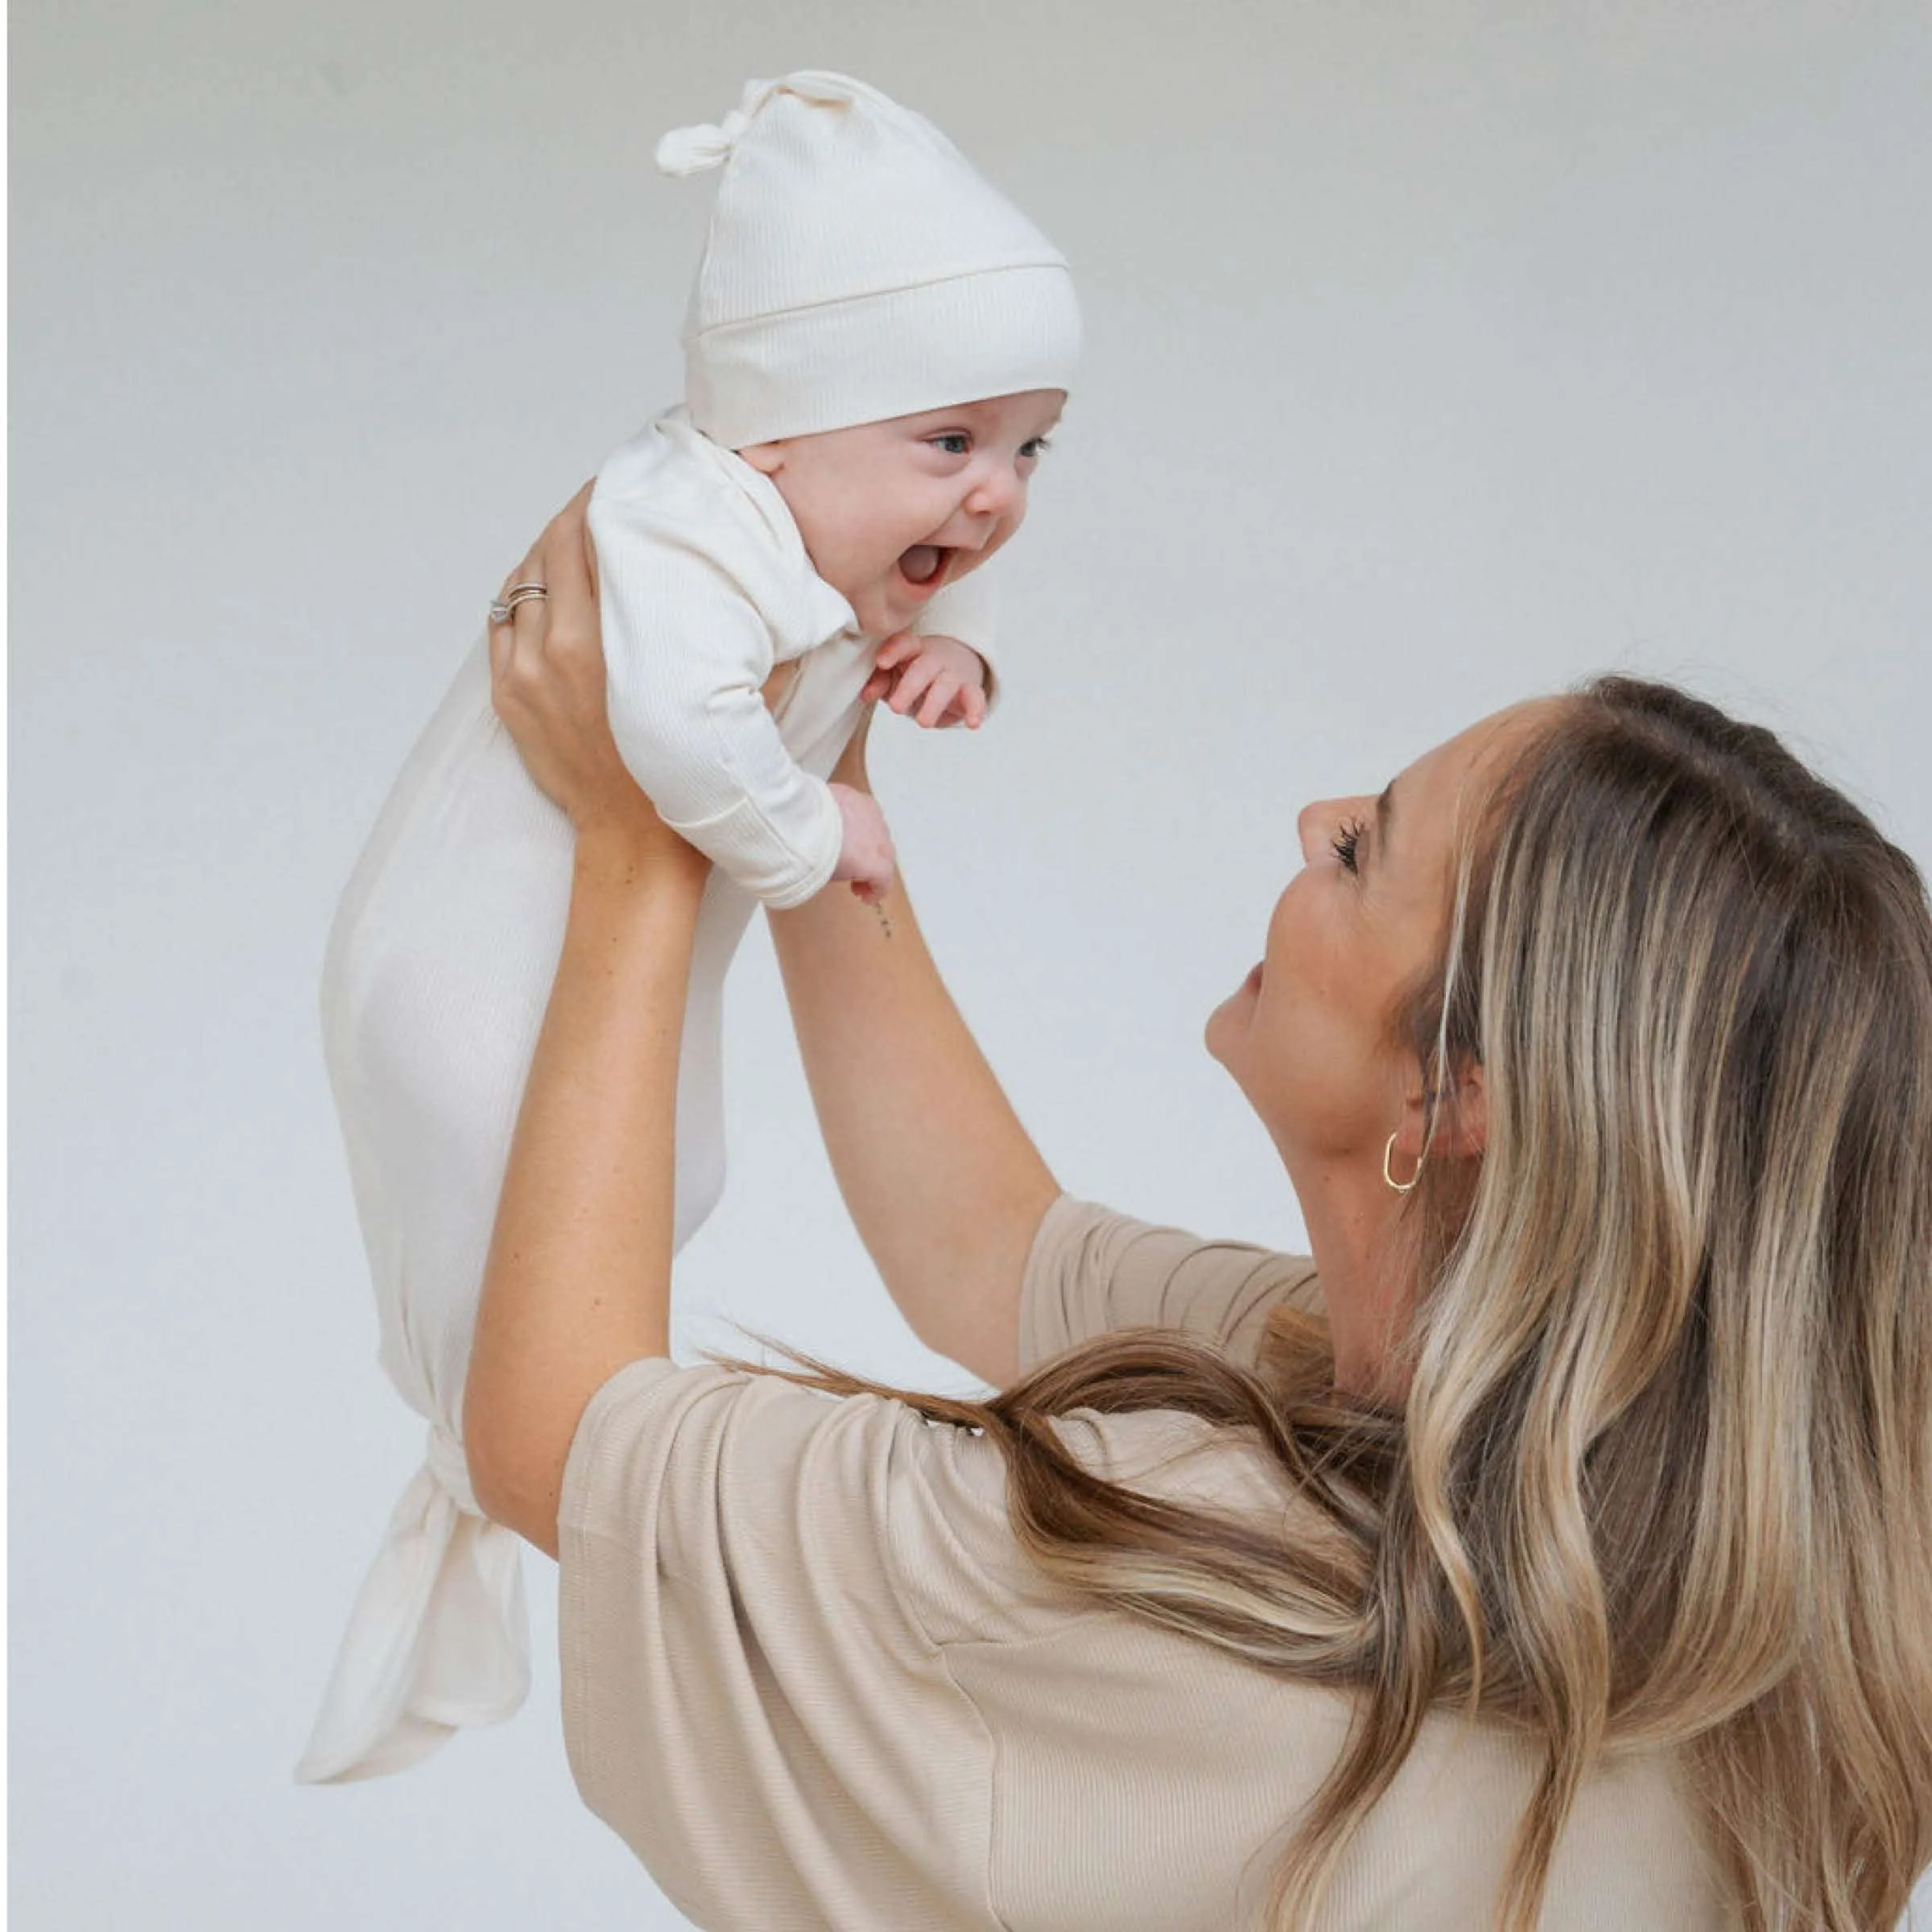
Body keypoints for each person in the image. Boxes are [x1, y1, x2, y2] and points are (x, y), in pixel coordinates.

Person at [462, 493, 1932, 1930]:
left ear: (1449, 1099)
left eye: (1365, 852)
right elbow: (994, 1247)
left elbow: (560, 1438)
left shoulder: (1191, 1579)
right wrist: (809, 781)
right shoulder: (1738, 1582)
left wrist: (642, 829)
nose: (1315, 821)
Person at [295, 72, 1078, 1785]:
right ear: (772, 431)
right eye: (951, 443)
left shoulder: (839, 499)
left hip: (601, 952)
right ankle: (464, 1437)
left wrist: (949, 654)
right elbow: (672, 739)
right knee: (503, 1245)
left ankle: (472, 1453)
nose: (998, 497)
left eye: (1030, 446)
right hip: (459, 964)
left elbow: (921, 576)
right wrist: (817, 830)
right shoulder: (672, 521)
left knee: (684, 1176)